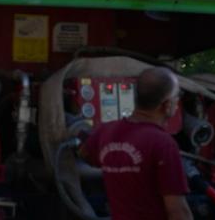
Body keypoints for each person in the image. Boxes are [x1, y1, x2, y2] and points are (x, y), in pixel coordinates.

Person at [80, 66, 193, 220]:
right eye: (177, 96)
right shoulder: (163, 144)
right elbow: (178, 210)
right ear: (167, 105)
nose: (178, 101)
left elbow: (84, 154)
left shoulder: (106, 132)